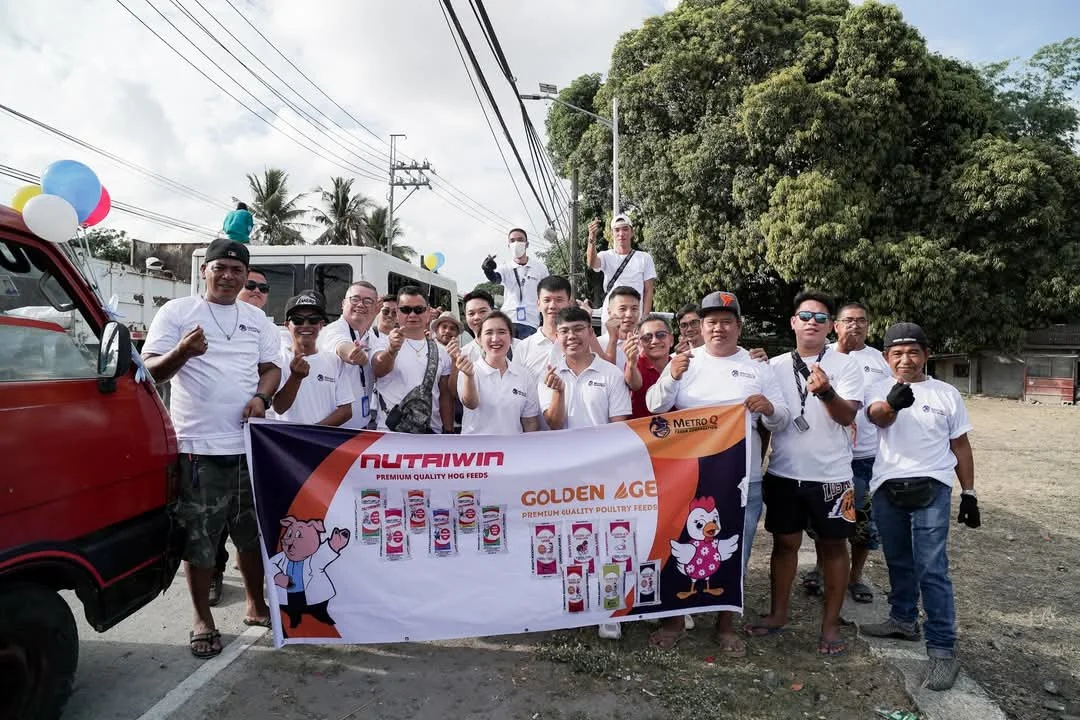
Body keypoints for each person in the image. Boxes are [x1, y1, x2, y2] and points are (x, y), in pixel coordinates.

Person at [142, 238, 281, 659]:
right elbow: (148, 372)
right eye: (220, 267)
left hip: (248, 448)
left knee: (251, 536)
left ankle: (256, 605)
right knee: (200, 540)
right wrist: (183, 350)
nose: (228, 276)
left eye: (237, 271)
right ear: (205, 269)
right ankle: (203, 619)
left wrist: (262, 398)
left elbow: (272, 368)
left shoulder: (256, 319)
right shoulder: (177, 313)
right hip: (198, 449)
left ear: (246, 276)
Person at [646, 291, 790, 655]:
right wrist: (669, 379)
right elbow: (655, 408)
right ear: (702, 326)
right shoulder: (684, 361)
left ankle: (726, 624)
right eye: (711, 322)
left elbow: (783, 417)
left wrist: (769, 408)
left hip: (742, 480)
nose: (718, 328)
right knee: (680, 544)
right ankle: (675, 619)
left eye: (727, 321)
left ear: (739, 327)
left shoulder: (759, 367)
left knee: (735, 551)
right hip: (689, 477)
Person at [861, 322, 980, 691]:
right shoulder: (876, 388)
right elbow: (878, 416)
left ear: (926, 355)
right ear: (886, 358)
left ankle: (943, 650)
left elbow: (959, 445)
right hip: (887, 486)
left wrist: (970, 492)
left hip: (933, 485)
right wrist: (893, 403)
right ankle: (902, 620)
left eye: (913, 352)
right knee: (898, 560)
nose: (905, 359)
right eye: (897, 353)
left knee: (932, 568)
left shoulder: (947, 394)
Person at [752, 291, 863, 657]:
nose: (812, 323)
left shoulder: (846, 366)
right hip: (784, 472)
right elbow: (768, 419)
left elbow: (847, 416)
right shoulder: (774, 366)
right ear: (793, 322)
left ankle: (830, 625)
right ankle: (778, 614)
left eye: (820, 318)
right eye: (805, 316)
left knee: (833, 547)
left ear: (831, 326)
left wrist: (827, 392)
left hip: (831, 476)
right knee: (785, 545)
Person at [537, 305, 631, 640]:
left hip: (603, 475)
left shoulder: (611, 374)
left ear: (590, 332)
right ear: (557, 335)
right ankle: (573, 604)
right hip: (563, 475)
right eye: (565, 331)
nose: (572, 336)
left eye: (579, 329)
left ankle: (610, 609)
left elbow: (620, 430)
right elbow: (553, 423)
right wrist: (558, 393)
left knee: (608, 542)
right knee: (568, 540)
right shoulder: (550, 373)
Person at [816, 301, 891, 603]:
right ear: (835, 325)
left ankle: (855, 577)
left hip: (866, 457)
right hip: (830, 455)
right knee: (825, 520)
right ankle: (821, 570)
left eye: (861, 321)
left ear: (868, 325)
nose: (854, 326)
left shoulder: (880, 361)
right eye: (848, 320)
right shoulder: (822, 356)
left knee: (864, 523)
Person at [370, 286, 454, 434]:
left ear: (428, 312)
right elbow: (378, 370)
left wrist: (448, 430)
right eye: (406, 310)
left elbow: (445, 397)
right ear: (397, 313)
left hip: (430, 436)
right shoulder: (382, 342)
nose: (413, 314)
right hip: (390, 433)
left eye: (419, 309)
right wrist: (391, 350)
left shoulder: (441, 351)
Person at [272, 291, 353, 426]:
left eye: (313, 320)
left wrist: (312, 435)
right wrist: (295, 378)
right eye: (298, 320)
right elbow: (279, 408)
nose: (305, 325)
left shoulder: (335, 361)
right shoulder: (278, 360)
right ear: (287, 325)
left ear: (321, 325)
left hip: (322, 441)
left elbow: (346, 410)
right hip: (286, 443)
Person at [451, 311, 541, 434]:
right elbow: (470, 404)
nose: (495, 339)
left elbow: (530, 421)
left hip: (512, 450)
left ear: (511, 338)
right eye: (488, 333)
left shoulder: (524, 376)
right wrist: (469, 376)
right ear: (480, 339)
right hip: (476, 450)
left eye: (502, 332)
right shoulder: (469, 370)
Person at [318, 281, 379, 430]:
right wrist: (353, 354)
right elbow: (341, 346)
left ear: (375, 307)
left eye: (367, 301)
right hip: (335, 430)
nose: (361, 304)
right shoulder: (333, 330)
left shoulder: (371, 336)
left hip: (361, 427)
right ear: (343, 303)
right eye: (355, 299)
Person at [586, 215, 656, 325]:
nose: (621, 234)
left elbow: (648, 290)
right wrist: (592, 237)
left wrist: (645, 317)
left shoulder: (644, 258)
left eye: (625, 229)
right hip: (612, 315)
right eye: (617, 230)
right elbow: (591, 263)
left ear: (632, 232)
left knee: (634, 342)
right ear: (612, 233)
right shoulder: (605, 256)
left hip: (634, 315)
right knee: (610, 341)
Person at [482, 228, 549, 339]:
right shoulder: (505, 267)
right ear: (508, 245)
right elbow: (495, 279)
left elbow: (547, 293)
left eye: (520, 240)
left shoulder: (540, 268)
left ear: (527, 244)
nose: (516, 243)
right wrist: (487, 270)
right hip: (509, 320)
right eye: (512, 241)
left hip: (531, 322)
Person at [625, 314, 674, 419]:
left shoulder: (680, 365)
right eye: (647, 337)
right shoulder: (634, 364)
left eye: (661, 335)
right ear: (640, 343)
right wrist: (631, 363)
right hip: (639, 433)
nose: (654, 341)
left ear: (671, 340)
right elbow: (635, 385)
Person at [598, 286, 640, 371]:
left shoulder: (645, 344)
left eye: (634, 309)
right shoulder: (597, 344)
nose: (629, 314)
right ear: (610, 312)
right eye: (622, 309)